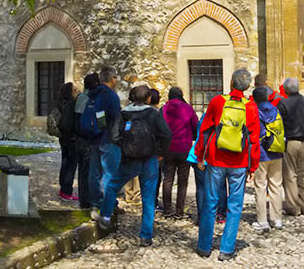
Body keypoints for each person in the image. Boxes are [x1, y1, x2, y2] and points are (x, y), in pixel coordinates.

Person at [195, 68, 260, 261]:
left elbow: (205, 129)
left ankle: (204, 246)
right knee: (235, 204)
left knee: (210, 201)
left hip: (216, 158)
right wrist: (253, 166)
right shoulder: (250, 107)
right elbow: (254, 140)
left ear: (231, 83)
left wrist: (200, 156)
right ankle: (227, 248)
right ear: (248, 86)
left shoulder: (217, 101)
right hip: (239, 161)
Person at [96, 84, 172, 247]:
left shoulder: (124, 113)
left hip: (129, 160)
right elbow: (166, 134)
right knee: (148, 198)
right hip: (150, 159)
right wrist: (161, 153)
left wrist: (125, 148)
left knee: (112, 186)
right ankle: (145, 236)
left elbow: (114, 135)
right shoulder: (154, 113)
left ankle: (105, 217)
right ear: (149, 98)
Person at [81, 66, 121, 219]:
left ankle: (95, 203)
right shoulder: (111, 96)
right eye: (116, 77)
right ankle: (109, 204)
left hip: (94, 138)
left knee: (94, 172)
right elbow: (117, 118)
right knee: (110, 173)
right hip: (108, 139)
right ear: (112, 79)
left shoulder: (93, 94)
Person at [161, 86, 198, 218]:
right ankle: (179, 211)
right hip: (184, 147)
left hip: (168, 148)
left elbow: (160, 128)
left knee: (168, 179)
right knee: (183, 181)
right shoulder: (188, 108)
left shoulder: (164, 108)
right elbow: (195, 126)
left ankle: (167, 210)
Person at [251, 86, 284, 232]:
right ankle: (277, 219)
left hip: (262, 153)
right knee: (276, 185)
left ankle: (262, 220)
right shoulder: (275, 110)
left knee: (260, 186)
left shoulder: (255, 112)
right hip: (276, 152)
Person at [277, 77, 304, 216]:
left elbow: (279, 122)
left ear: (285, 89)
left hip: (290, 141)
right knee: (302, 174)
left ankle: (293, 206)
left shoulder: (284, 103)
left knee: (290, 175)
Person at [74, 72, 100, 209]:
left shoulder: (80, 98)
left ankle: (84, 199)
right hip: (89, 138)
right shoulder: (93, 99)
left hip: (79, 139)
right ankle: (91, 199)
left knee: (83, 171)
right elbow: (100, 120)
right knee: (91, 170)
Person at [56, 82, 79, 201]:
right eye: (75, 90)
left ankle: (62, 189)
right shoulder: (71, 105)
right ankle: (67, 190)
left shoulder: (60, 104)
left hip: (63, 138)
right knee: (71, 165)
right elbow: (68, 123)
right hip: (71, 139)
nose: (77, 92)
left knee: (64, 163)